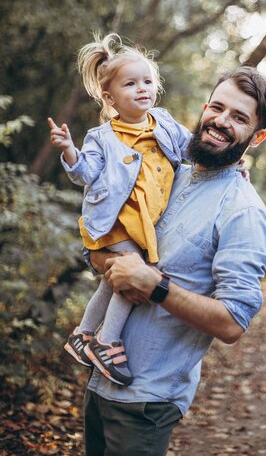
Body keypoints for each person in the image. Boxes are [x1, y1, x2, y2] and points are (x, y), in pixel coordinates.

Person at [83, 65, 266, 456]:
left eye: (238, 118)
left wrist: (155, 287)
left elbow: (232, 323)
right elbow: (102, 249)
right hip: (99, 381)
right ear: (205, 108)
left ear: (256, 137)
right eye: (218, 108)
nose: (221, 122)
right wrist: (109, 263)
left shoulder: (243, 211)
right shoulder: (168, 174)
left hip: (148, 400)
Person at [48, 34, 192, 386]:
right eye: (131, 84)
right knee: (132, 275)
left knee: (112, 285)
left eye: (147, 81)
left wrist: (232, 161)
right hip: (116, 224)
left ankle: (82, 334)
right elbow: (84, 173)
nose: (142, 89)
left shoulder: (165, 123)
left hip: (145, 226)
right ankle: (106, 341)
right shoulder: (103, 137)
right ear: (110, 98)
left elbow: (193, 150)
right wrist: (69, 149)